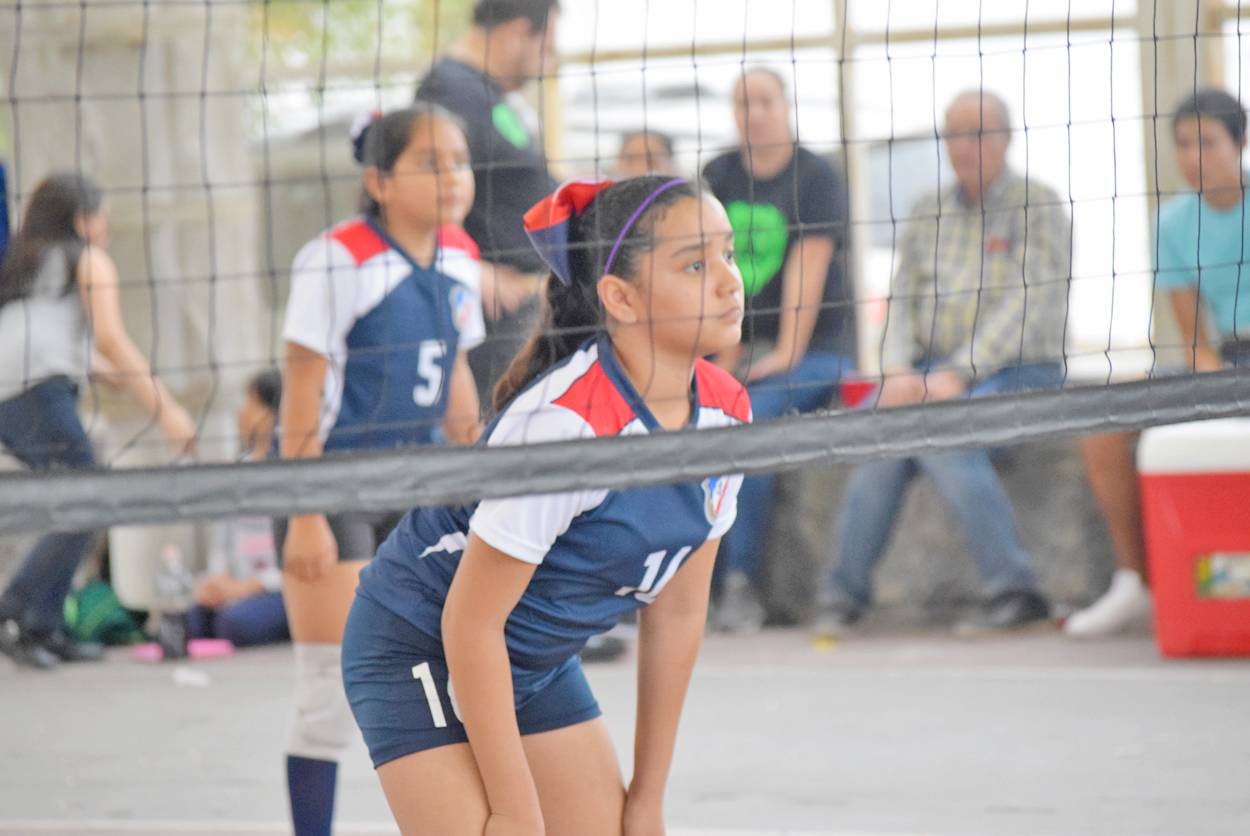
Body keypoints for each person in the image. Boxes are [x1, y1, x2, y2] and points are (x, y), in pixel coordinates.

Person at [341, 176, 749, 835]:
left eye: (728, 253)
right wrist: (515, 810)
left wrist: (647, 797)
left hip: (529, 662)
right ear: (619, 297)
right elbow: (470, 624)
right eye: (696, 265)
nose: (730, 281)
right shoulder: (567, 427)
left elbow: (677, 611)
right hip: (420, 640)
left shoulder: (727, 411)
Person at [277, 105, 485, 836]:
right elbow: (301, 388)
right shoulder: (338, 257)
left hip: (417, 485)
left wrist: (484, 479)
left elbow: (456, 379)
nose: (452, 176)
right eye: (430, 162)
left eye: (459, 160)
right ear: (379, 182)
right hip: (333, 484)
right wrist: (304, 514)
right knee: (329, 691)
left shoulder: (461, 255)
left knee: (458, 669)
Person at [816, 89, 1072, 636]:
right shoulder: (924, 210)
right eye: (953, 134)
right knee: (882, 436)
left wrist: (960, 372)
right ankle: (841, 596)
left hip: (1020, 371)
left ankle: (1017, 589)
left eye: (977, 133)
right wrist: (897, 371)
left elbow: (1030, 304)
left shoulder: (1039, 204)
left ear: (1006, 139)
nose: (963, 146)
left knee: (944, 432)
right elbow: (900, 302)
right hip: (929, 370)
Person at [1068, 88, 1250, 637]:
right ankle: (1135, 582)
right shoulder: (1171, 224)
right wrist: (1216, 382)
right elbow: (1193, 338)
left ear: (1239, 143)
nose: (1193, 156)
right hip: (1224, 364)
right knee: (1103, 418)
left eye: (1207, 142)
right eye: (1183, 144)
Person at [0, 172, 197, 670]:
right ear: (83, 219)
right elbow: (112, 338)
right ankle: (15, 611)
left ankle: (42, 625)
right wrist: (168, 411)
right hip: (35, 391)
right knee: (91, 495)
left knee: (77, 501)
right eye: (102, 214)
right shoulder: (89, 260)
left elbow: (50, 340)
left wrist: (109, 375)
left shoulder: (27, 265)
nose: (106, 224)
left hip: (12, 395)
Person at [702, 66, 854, 632]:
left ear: (786, 106)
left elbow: (806, 269)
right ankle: (675, 587)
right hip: (737, 348)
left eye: (765, 101)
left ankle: (739, 584)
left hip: (817, 350)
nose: (755, 113)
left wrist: (786, 352)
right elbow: (708, 270)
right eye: (744, 103)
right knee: (688, 419)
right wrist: (723, 359)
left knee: (749, 423)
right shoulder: (718, 174)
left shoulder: (817, 176)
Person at [415, 0, 560, 397]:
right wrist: (468, 266)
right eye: (546, 48)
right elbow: (420, 191)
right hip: (494, 315)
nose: (546, 64)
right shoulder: (448, 91)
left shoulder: (490, 93)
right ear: (517, 32)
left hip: (529, 303)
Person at [186, 370, 289, 649]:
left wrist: (249, 587)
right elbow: (222, 540)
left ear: (273, 414)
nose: (241, 412)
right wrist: (217, 580)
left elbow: (292, 560)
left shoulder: (291, 471)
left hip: (277, 588)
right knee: (191, 622)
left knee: (233, 624)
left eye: (250, 403)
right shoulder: (237, 471)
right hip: (236, 587)